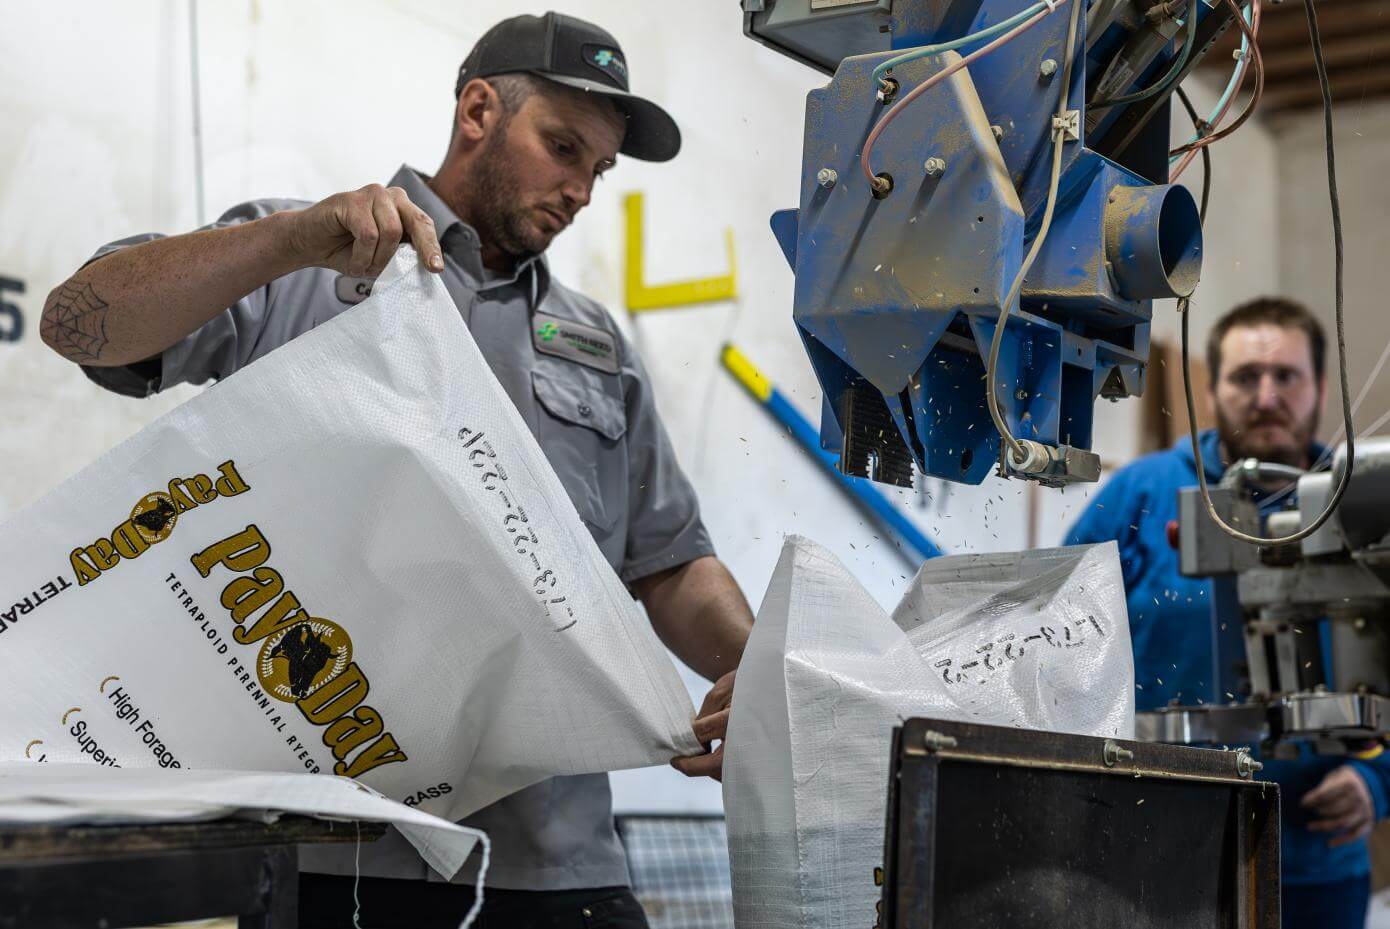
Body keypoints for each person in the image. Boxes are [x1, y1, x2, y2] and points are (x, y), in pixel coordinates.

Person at [41, 12, 753, 928]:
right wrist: (285, 241)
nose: (580, 190)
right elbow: (76, 323)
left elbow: (671, 562)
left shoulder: (598, 349)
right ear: (478, 111)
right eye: (563, 147)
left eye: (599, 169)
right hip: (333, 853)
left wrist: (763, 674)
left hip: (552, 866)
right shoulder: (303, 262)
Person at [1066, 297, 1390, 929]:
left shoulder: (1363, 503)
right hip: (1156, 849)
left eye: (1286, 376)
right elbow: (1056, 636)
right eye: (1245, 377)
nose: (1266, 396)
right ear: (1211, 390)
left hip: (1315, 868)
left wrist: (1378, 785)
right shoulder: (1143, 492)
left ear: (1321, 388)